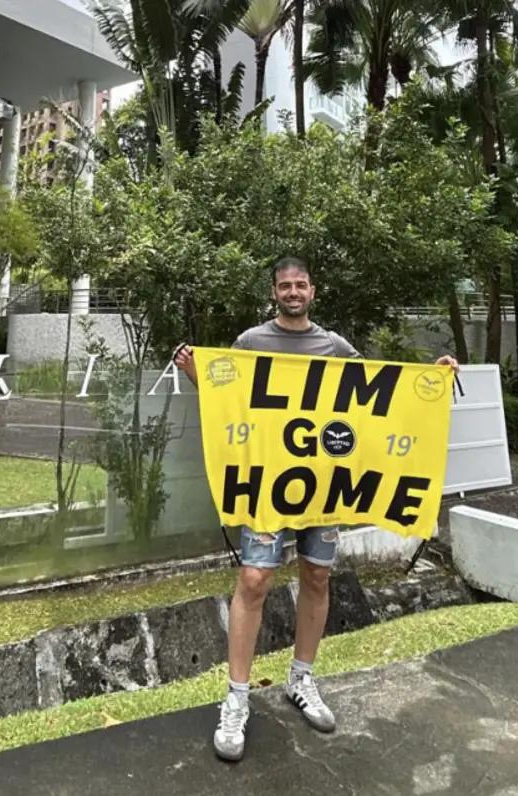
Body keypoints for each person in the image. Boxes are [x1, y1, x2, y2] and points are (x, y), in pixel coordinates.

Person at [173, 256, 458, 762]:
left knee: (318, 577)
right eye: (284, 285)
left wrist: (428, 384)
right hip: (268, 489)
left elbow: (378, 402)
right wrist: (197, 374)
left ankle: (302, 678)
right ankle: (236, 698)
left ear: (313, 291)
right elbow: (228, 400)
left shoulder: (335, 347)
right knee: (254, 581)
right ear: (274, 292)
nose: (292, 291)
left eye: (300, 284)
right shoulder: (250, 343)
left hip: (324, 488)